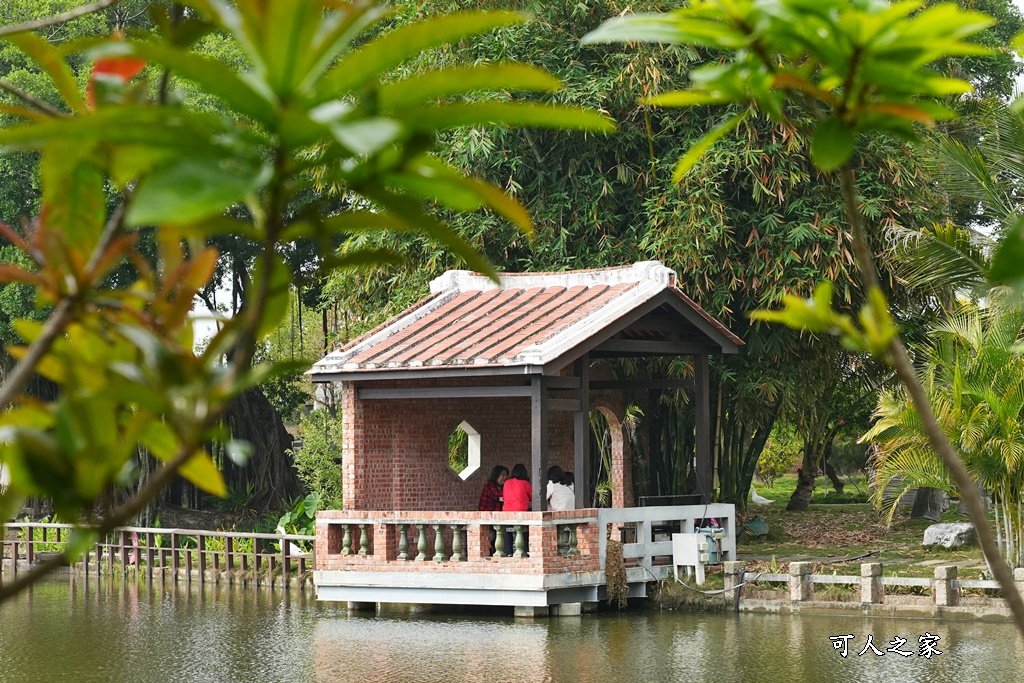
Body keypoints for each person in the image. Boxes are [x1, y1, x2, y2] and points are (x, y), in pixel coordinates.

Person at [502, 464, 532, 555]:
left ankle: (508, 552)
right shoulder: (525, 484)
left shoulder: (507, 483)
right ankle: (526, 550)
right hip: (521, 514)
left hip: (507, 514)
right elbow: (533, 497)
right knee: (527, 529)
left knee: (506, 530)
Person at [479, 465, 508, 555]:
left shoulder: (502, 487)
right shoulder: (489, 486)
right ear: (496, 476)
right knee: (490, 537)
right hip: (487, 517)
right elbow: (497, 495)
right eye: (502, 475)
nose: (505, 477)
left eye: (506, 475)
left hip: (497, 517)